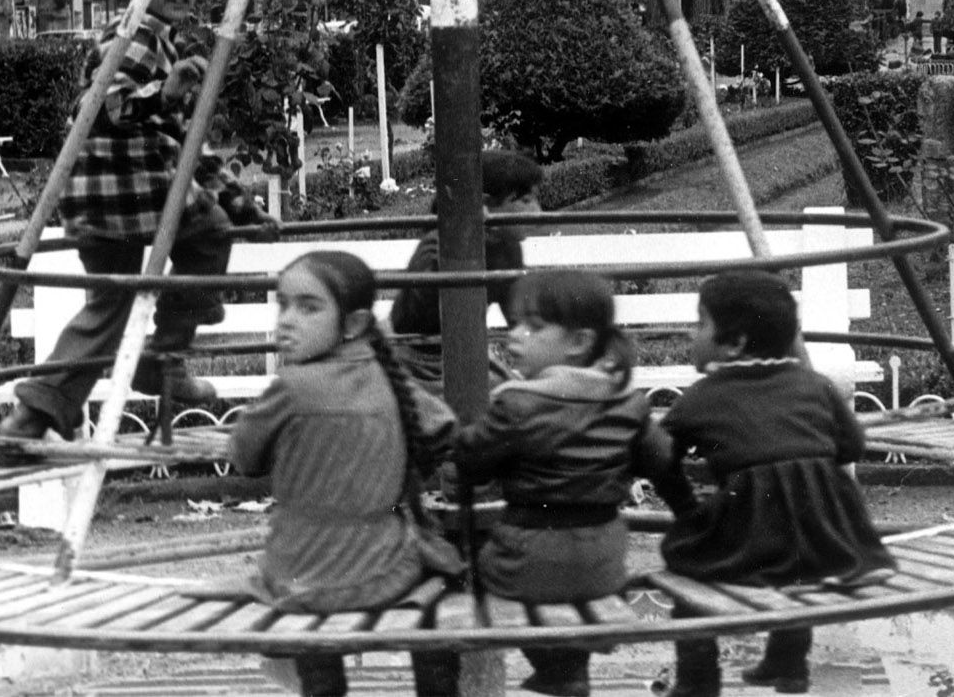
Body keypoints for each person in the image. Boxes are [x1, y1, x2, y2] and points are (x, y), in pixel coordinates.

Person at [0, 0, 271, 461]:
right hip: (124, 189)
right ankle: (166, 352)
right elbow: (101, 105)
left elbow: (190, 146)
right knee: (210, 232)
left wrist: (244, 204)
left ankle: (31, 418)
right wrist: (160, 93)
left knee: (108, 307)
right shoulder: (134, 33)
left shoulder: (162, 41)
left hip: (108, 197)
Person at [231, 251, 464, 697]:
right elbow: (441, 430)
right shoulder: (392, 379)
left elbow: (245, 461)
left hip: (301, 575)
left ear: (353, 324)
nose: (287, 320)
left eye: (308, 307)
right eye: (283, 304)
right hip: (385, 570)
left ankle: (323, 690)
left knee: (311, 611)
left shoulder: (291, 388)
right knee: (434, 583)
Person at [659, 270, 894, 697]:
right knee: (797, 570)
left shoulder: (701, 397)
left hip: (752, 539)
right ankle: (787, 665)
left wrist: (686, 511)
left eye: (700, 324)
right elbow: (853, 447)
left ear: (736, 342)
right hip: (830, 541)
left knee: (687, 573)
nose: (692, 335)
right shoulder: (815, 384)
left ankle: (697, 683)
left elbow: (658, 459)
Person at [445, 270, 676, 697]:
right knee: (567, 578)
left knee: (475, 556)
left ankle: (555, 667)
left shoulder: (518, 401)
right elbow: (662, 462)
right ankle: (567, 666)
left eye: (532, 327)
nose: (514, 335)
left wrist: (468, 436)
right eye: (514, 323)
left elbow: (471, 461)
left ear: (578, 342)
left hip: (528, 563)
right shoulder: (629, 402)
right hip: (603, 562)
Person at [389, 149, 538, 383]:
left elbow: (519, 315)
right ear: (485, 206)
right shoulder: (438, 248)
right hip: (416, 359)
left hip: (464, 352)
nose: (537, 212)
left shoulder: (506, 248)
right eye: (526, 201)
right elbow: (417, 322)